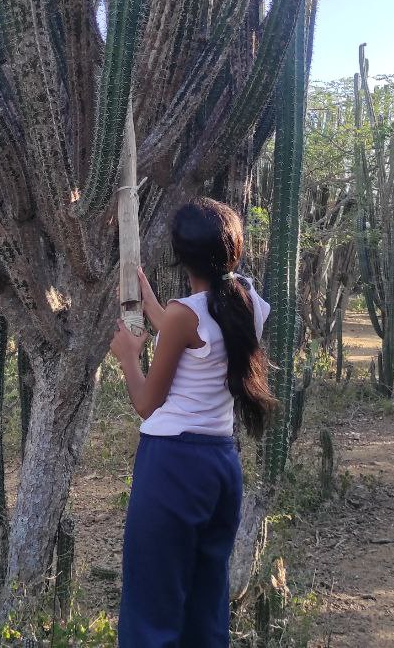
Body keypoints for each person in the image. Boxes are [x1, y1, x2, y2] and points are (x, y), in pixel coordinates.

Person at [110, 197, 276, 647]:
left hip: (172, 465)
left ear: (179, 256)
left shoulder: (186, 314)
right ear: (232, 251)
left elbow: (147, 402)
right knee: (205, 604)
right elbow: (197, 338)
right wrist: (149, 303)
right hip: (221, 466)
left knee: (152, 606)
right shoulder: (247, 301)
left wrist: (129, 357)